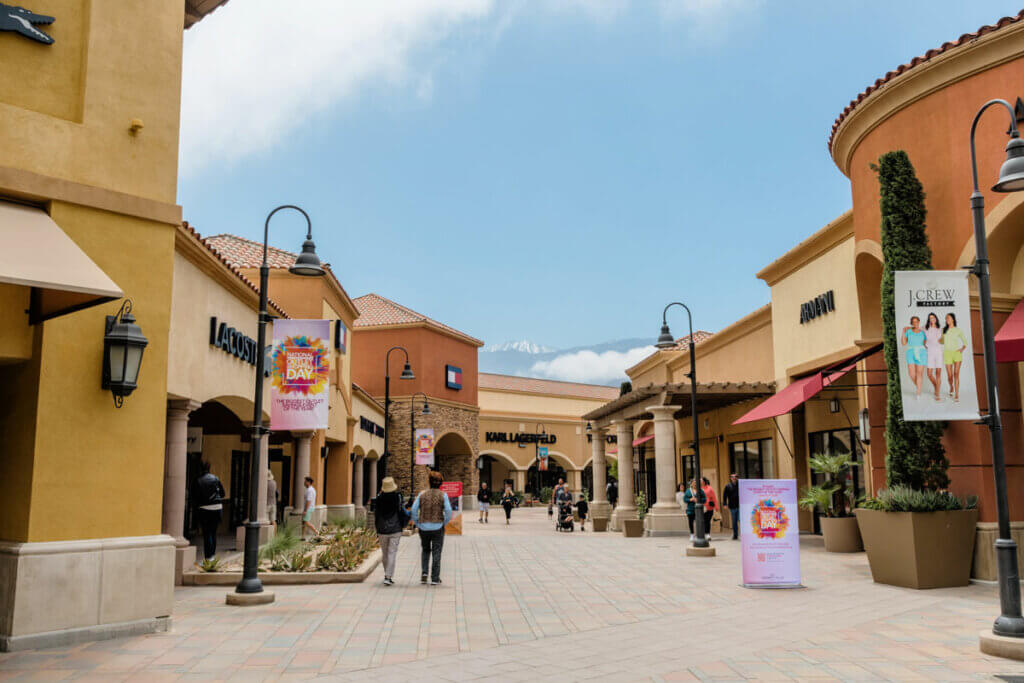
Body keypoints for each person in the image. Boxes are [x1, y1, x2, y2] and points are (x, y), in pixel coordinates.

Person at [411, 471, 452, 585]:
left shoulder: (422, 494)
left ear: (429, 482)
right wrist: (444, 522)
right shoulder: (443, 495)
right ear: (440, 484)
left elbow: (414, 510)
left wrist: (417, 522)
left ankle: (424, 572)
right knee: (436, 551)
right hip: (437, 526)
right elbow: (448, 511)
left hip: (423, 527)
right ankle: (435, 578)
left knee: (425, 550)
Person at [373, 477, 405, 586]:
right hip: (395, 528)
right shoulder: (398, 497)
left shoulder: (379, 498)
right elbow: (401, 511)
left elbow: (376, 514)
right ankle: (388, 576)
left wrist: (376, 528)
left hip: (382, 529)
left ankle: (387, 574)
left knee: (385, 553)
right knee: (392, 553)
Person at [194, 461, 225, 560]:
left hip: (205, 509)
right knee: (213, 532)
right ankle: (212, 556)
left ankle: (208, 557)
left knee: (207, 533)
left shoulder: (198, 480)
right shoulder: (215, 478)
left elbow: (195, 496)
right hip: (217, 507)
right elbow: (223, 493)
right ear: (209, 468)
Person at [943, 312, 968, 403]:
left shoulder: (958, 330)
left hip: (957, 354)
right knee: (950, 376)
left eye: (948, 318)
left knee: (956, 374)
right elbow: (942, 342)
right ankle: (951, 387)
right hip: (947, 354)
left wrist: (961, 349)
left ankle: (957, 394)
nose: (947, 320)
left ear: (953, 319)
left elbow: (965, 342)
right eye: (946, 318)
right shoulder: (944, 330)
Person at [901, 316, 927, 400]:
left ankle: (918, 393)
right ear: (911, 323)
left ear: (919, 322)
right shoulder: (908, 331)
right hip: (910, 352)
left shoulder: (923, 332)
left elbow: (925, 344)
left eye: (917, 321)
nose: (915, 323)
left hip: (921, 352)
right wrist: (903, 331)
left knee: (919, 373)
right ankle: (919, 387)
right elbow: (904, 343)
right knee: (911, 374)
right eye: (914, 322)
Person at [924, 312, 944, 401]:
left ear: (936, 318)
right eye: (930, 318)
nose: (932, 319)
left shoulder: (940, 329)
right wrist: (925, 345)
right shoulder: (925, 328)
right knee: (929, 374)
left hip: (938, 352)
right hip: (930, 352)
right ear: (929, 320)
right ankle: (937, 387)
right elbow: (917, 331)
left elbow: (942, 341)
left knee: (938, 373)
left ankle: (937, 393)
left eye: (933, 317)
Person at [723, 473, 740, 540]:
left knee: (740, 520)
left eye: (735, 477)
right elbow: (725, 496)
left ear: (737, 478)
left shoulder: (740, 485)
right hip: (732, 506)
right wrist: (724, 504)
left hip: (739, 506)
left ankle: (743, 535)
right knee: (734, 521)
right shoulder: (728, 486)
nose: (734, 478)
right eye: (732, 477)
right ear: (730, 478)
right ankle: (735, 535)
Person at [702, 477, 719, 542]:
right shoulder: (699, 488)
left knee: (707, 521)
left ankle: (707, 534)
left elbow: (714, 498)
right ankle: (703, 534)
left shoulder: (709, 488)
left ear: (704, 481)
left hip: (709, 507)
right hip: (701, 508)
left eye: (701, 480)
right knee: (702, 521)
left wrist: (716, 507)